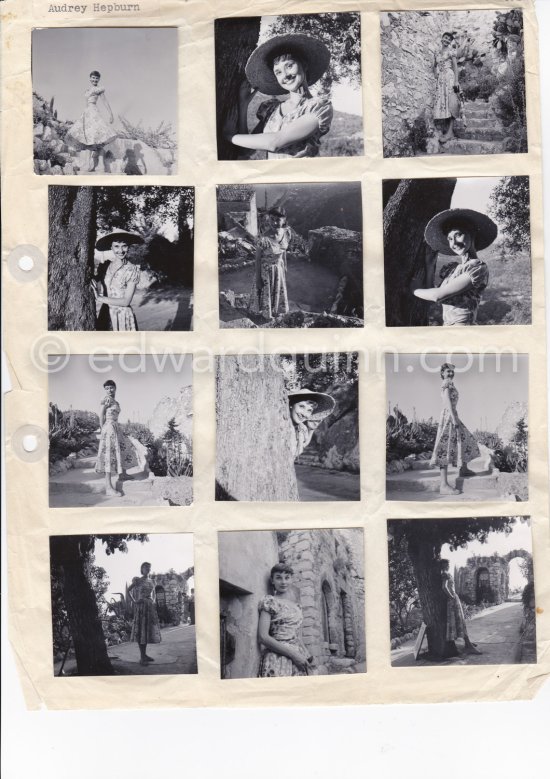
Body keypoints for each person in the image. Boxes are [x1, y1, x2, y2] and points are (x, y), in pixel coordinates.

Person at [226, 33, 333, 159]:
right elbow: (245, 151)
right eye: (278, 72)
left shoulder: (318, 108)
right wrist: (243, 106)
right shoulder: (271, 109)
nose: (285, 75)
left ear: (304, 65)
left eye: (289, 65)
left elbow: (274, 143)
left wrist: (228, 136)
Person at [412, 208, 497, 326]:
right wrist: (430, 266)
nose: (454, 243)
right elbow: (432, 292)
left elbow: (437, 296)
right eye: (450, 239)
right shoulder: (453, 268)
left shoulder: (478, 268)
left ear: (472, 234)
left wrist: (413, 290)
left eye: (458, 235)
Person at [430, 363, 481, 495]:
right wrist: (453, 418)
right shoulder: (446, 383)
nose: (450, 374)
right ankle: (444, 485)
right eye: (448, 371)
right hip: (449, 416)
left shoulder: (450, 384)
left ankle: (463, 469)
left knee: (465, 439)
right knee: (445, 448)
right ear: (442, 373)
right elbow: (447, 401)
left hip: (453, 414)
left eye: (452, 372)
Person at [257, 562, 313, 676]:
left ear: (291, 579)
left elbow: (298, 636)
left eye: (287, 578)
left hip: (299, 659)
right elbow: (262, 637)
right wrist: (293, 655)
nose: (283, 582)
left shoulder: (297, 606)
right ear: (272, 580)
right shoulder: (270, 601)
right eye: (278, 578)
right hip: (278, 658)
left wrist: (307, 655)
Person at [66, 70, 117, 172]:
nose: (94, 79)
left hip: (94, 112)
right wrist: (84, 116)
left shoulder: (99, 89)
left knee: (98, 137)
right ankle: (88, 164)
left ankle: (100, 165)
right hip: (87, 113)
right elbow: (86, 104)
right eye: (93, 78)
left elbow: (105, 101)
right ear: (90, 78)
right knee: (88, 137)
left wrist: (111, 114)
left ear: (99, 79)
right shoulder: (87, 90)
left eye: (96, 78)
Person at [94, 379, 139, 496]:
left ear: (115, 388)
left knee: (125, 448)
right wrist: (103, 427)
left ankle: (122, 474)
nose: (109, 390)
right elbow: (101, 414)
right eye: (107, 388)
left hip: (116, 427)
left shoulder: (116, 402)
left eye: (111, 387)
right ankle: (108, 487)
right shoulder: (107, 399)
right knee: (108, 455)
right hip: (108, 427)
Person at [92, 230, 143, 331]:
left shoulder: (131, 270)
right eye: (116, 246)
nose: (121, 250)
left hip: (122, 315)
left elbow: (126, 301)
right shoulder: (104, 266)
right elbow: (95, 282)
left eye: (124, 246)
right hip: (105, 314)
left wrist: (99, 298)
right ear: (111, 247)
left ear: (128, 247)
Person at [249, 207, 292, 320]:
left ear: (284, 220)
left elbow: (284, 250)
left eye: (278, 220)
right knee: (266, 294)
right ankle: (266, 315)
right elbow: (257, 259)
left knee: (278, 291)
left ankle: (276, 311)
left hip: (279, 269)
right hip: (266, 272)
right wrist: (258, 279)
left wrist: (285, 265)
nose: (274, 222)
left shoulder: (286, 233)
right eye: (272, 219)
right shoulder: (263, 239)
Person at [440, 559, 482, 654]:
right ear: (443, 565)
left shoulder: (445, 573)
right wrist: (452, 596)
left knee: (460, 621)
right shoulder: (445, 574)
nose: (448, 565)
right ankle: (468, 645)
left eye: (448, 564)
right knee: (459, 621)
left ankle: (468, 643)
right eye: (446, 564)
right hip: (452, 599)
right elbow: (444, 587)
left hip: (453, 599)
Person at [128, 562, 161, 665]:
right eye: (145, 567)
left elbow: (154, 593)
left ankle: (145, 655)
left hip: (149, 607)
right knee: (141, 630)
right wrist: (134, 601)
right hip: (141, 607)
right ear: (141, 569)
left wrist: (153, 601)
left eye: (149, 567)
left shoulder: (152, 581)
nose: (147, 569)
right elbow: (128, 590)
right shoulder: (138, 580)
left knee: (146, 631)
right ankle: (142, 657)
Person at [288, 388, 335, 459]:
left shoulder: (301, 427)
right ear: (291, 405)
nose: (304, 414)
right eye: (301, 406)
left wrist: (311, 429)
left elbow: (301, 447)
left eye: (309, 410)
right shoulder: (283, 424)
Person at [432, 32, 461, 145]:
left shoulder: (451, 51)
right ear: (442, 38)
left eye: (449, 39)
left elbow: (455, 67)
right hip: (441, 80)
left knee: (452, 103)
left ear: (450, 41)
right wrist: (436, 73)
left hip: (449, 78)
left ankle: (449, 132)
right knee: (444, 103)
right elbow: (434, 66)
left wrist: (456, 81)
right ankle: (449, 132)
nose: (447, 40)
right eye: (445, 38)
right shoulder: (436, 52)